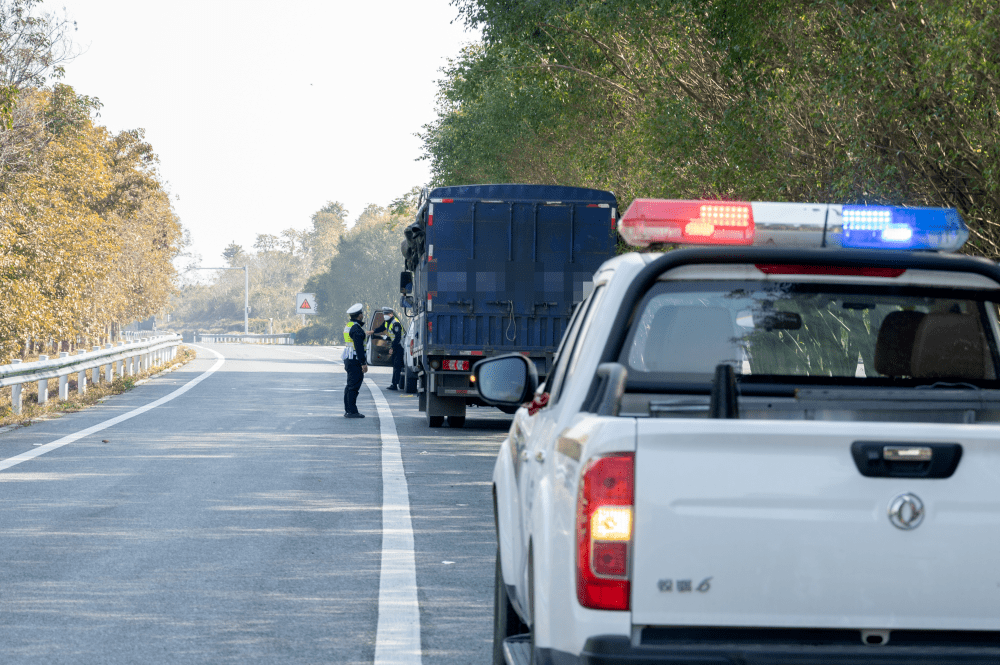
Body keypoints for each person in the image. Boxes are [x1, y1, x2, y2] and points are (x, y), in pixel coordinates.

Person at [342, 303, 368, 418]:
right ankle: (352, 411)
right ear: (359, 315)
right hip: (355, 359)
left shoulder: (349, 325)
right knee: (354, 386)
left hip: (349, 358)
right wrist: (363, 363)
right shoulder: (356, 328)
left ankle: (349, 410)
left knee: (350, 385)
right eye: (362, 313)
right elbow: (359, 347)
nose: (363, 315)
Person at [372, 306, 404, 390]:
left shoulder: (395, 323)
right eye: (384, 314)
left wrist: (392, 348)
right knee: (395, 365)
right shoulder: (387, 322)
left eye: (386, 314)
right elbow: (381, 328)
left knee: (397, 365)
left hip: (400, 346)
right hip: (396, 345)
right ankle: (395, 384)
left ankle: (395, 385)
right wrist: (373, 331)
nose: (384, 315)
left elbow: (398, 338)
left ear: (391, 314)